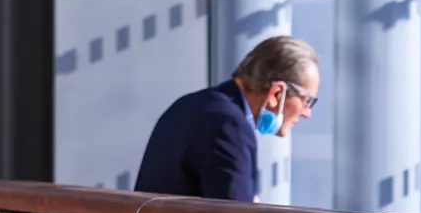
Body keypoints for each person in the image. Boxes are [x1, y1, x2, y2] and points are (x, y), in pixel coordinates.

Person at [134, 35, 319, 199]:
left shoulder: (190, 104)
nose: (307, 113)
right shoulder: (228, 126)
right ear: (277, 93)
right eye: (306, 101)